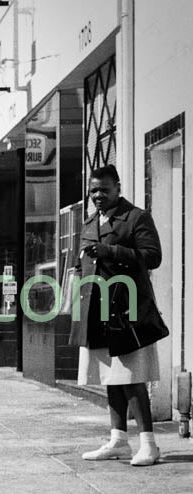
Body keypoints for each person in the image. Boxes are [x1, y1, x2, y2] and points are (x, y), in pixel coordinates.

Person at [72, 164, 164, 467]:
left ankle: (148, 444)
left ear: (118, 188)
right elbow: (82, 262)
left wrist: (110, 252)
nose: (98, 195)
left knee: (132, 378)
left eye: (104, 189)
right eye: (94, 189)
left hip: (129, 311)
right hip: (97, 312)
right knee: (110, 379)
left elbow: (152, 257)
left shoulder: (136, 218)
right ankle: (118, 440)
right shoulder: (89, 223)